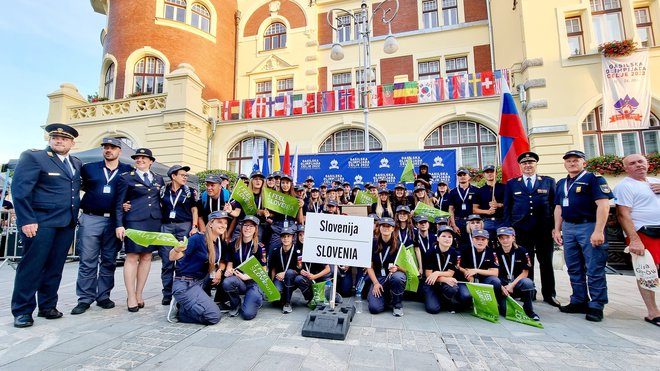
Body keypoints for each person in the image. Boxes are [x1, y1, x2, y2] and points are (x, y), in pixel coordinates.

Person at [11, 123, 82, 328]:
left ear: (72, 142)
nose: (59, 141)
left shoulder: (75, 163)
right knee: (32, 266)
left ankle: (47, 305)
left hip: (66, 222)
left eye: (65, 138)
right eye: (55, 137)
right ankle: (22, 310)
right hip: (40, 223)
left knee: (54, 267)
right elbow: (20, 191)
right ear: (49, 140)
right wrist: (26, 220)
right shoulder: (34, 157)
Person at [71, 137, 133, 315]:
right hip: (91, 217)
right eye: (105, 147)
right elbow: (77, 187)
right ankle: (84, 298)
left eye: (112, 147)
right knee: (87, 260)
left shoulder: (127, 170)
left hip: (114, 221)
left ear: (119, 151)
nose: (108, 150)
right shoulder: (89, 168)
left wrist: (128, 204)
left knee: (109, 260)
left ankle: (103, 296)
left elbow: (131, 193)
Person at [553, 150, 612, 322]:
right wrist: (557, 229)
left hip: (589, 226)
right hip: (569, 227)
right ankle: (578, 300)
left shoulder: (594, 179)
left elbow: (603, 205)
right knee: (573, 267)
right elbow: (558, 208)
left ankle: (596, 304)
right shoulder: (562, 182)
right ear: (565, 164)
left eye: (576, 160)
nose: (572, 163)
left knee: (594, 268)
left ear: (583, 163)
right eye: (569, 161)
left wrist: (599, 230)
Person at [503, 151, 560, 307]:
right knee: (527, 263)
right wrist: (509, 228)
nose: (527, 165)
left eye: (531, 163)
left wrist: (556, 227)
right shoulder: (513, 183)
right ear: (520, 166)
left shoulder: (548, 182)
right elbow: (507, 208)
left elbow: (555, 206)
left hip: (544, 229)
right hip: (521, 229)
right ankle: (529, 291)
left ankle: (549, 294)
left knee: (546, 262)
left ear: (535, 164)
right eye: (524, 163)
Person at [115, 148, 165, 312]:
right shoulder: (126, 178)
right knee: (132, 256)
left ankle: (139, 294)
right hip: (134, 220)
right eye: (138, 158)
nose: (140, 160)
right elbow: (119, 203)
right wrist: (119, 224)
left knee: (147, 257)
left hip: (153, 221)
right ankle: (130, 296)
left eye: (144, 158)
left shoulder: (158, 179)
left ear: (151, 161)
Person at [613, 153, 660, 327]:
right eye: (632, 163)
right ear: (625, 168)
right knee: (647, 272)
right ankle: (653, 312)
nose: (638, 165)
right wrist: (634, 239)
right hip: (644, 232)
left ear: (647, 163)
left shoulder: (655, 182)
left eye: (641, 161)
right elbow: (622, 214)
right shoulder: (624, 186)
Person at [167, 211, 229, 325]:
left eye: (225, 222)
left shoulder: (220, 242)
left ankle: (186, 306)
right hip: (185, 284)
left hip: (200, 282)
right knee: (214, 317)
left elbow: (223, 261)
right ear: (210, 224)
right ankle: (179, 312)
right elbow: (172, 257)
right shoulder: (197, 238)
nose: (223, 225)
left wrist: (219, 271)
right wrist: (176, 249)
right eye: (219, 222)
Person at [159, 164, 198, 306]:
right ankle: (167, 293)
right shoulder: (163, 191)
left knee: (182, 260)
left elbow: (194, 210)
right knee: (167, 260)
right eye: (182, 175)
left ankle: (180, 291)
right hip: (167, 226)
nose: (185, 177)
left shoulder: (190, 191)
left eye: (186, 175)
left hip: (184, 226)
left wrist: (194, 226)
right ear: (173, 176)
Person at [222, 215, 267, 320]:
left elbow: (264, 271)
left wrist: (247, 277)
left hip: (254, 282)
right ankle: (235, 303)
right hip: (239, 280)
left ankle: (256, 299)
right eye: (245, 225)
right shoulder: (233, 244)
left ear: (256, 229)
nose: (247, 228)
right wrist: (228, 271)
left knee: (247, 315)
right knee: (227, 282)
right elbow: (230, 264)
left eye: (251, 226)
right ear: (241, 227)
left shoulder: (260, 247)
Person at [421, 226, 469, 313]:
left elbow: (450, 273)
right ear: (438, 238)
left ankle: (446, 300)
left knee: (453, 287)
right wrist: (444, 278)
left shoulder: (454, 252)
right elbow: (429, 275)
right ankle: (432, 297)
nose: (447, 239)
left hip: (442, 281)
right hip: (431, 282)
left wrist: (437, 273)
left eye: (449, 237)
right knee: (433, 309)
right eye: (444, 236)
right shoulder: (431, 252)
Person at [495, 227, 539, 321]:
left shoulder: (522, 251)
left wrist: (512, 285)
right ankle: (502, 304)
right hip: (502, 285)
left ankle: (529, 310)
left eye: (507, 237)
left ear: (513, 238)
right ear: (498, 239)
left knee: (528, 283)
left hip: (516, 282)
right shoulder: (495, 252)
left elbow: (525, 272)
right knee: (506, 312)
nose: (505, 240)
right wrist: (502, 286)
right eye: (502, 238)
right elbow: (493, 273)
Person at [366, 217, 407, 316]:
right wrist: (375, 283)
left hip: (392, 276)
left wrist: (397, 268)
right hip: (378, 277)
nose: (386, 228)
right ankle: (386, 297)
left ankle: (397, 304)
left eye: (388, 226)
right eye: (383, 226)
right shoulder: (373, 243)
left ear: (393, 229)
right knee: (374, 308)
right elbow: (369, 266)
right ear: (379, 227)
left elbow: (406, 269)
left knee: (398, 277)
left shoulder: (399, 245)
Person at [457, 229, 503, 313]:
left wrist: (476, 270)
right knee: (465, 296)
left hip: (482, 280)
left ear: (487, 241)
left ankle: (495, 302)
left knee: (496, 281)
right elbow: (457, 265)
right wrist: (465, 272)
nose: (480, 242)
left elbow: (495, 273)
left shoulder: (491, 252)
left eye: (483, 239)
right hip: (466, 280)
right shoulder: (464, 249)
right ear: (472, 239)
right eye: (477, 239)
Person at [269, 227, 300, 313]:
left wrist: (285, 273)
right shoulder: (276, 250)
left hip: (291, 278)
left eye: (288, 236)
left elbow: (299, 269)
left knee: (289, 273)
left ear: (293, 237)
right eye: (283, 236)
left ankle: (287, 303)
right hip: (278, 278)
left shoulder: (297, 251)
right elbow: (273, 268)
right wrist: (272, 286)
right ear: (280, 238)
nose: (286, 239)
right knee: (276, 298)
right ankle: (282, 297)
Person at [473, 165, 505, 239]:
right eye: (487, 172)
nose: (489, 174)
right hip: (487, 222)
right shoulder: (480, 191)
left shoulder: (504, 188)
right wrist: (487, 212)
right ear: (484, 175)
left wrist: (499, 205)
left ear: (496, 174)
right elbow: (474, 209)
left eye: (492, 172)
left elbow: (511, 204)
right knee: (487, 244)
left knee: (503, 245)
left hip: (502, 221)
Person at [448, 168, 478, 246]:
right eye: (460, 175)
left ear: (469, 177)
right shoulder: (453, 192)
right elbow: (451, 209)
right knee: (461, 246)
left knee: (473, 244)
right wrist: (454, 225)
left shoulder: (476, 190)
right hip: (458, 221)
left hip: (472, 221)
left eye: (464, 174)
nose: (462, 177)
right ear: (457, 177)